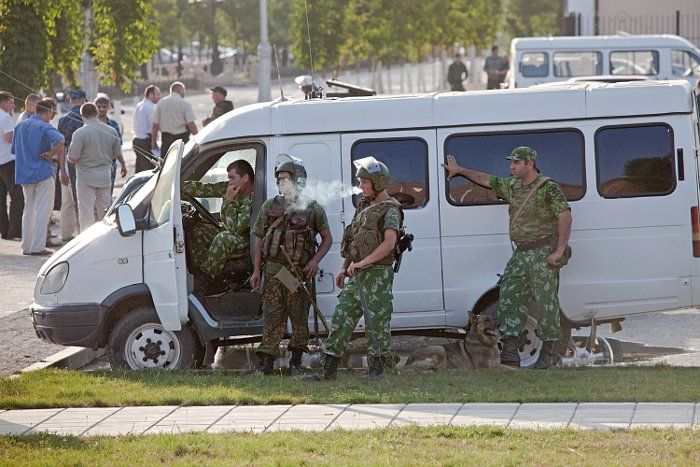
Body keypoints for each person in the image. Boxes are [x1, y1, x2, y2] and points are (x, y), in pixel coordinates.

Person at [441, 146, 572, 369]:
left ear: (529, 163)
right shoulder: (514, 186)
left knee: (546, 302)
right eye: (510, 162)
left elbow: (565, 217)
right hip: (521, 252)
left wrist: (559, 251)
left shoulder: (548, 188)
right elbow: (485, 179)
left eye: (516, 163)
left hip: (542, 252)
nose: (511, 167)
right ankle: (510, 351)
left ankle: (548, 354)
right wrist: (460, 170)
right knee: (510, 295)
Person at [315, 157, 402, 381]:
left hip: (377, 276)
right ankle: (328, 370)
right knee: (342, 317)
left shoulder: (390, 209)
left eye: (364, 182)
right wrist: (345, 268)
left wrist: (360, 264)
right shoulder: (364, 206)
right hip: (357, 273)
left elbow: (389, 244)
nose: (361, 187)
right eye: (360, 182)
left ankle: (378, 371)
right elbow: (353, 239)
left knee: (376, 323)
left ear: (378, 182)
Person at [250, 155, 332, 376]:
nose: (281, 183)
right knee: (273, 316)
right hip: (275, 270)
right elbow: (259, 239)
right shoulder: (270, 206)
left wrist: (315, 261)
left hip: (296, 273)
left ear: (298, 180)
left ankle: (295, 362)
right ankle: (266, 364)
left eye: (286, 178)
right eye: (279, 179)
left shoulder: (313, 209)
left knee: (298, 318)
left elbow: (327, 239)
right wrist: (257, 270)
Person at [182, 159, 254, 284]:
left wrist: (229, 200)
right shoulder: (233, 187)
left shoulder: (253, 198)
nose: (229, 182)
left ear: (245, 177)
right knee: (197, 229)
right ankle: (202, 267)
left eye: (232, 177)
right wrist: (177, 184)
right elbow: (205, 189)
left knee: (222, 238)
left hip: (247, 240)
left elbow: (236, 228)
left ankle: (206, 277)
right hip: (230, 234)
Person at [12, 99, 67, 256]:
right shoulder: (45, 126)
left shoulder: (20, 126)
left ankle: (27, 246)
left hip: (24, 173)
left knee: (28, 210)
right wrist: (51, 153)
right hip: (42, 172)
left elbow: (14, 150)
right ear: (48, 112)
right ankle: (37, 247)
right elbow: (61, 140)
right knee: (43, 210)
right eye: (51, 113)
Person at [67, 103, 124, 230]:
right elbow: (116, 153)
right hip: (104, 176)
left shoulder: (80, 133)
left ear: (82, 116)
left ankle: (87, 242)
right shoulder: (111, 130)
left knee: (86, 212)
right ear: (97, 113)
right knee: (105, 211)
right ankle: (106, 237)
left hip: (85, 177)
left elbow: (72, 158)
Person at [57, 89, 86, 242]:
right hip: (82, 163)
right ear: (84, 101)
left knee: (66, 201)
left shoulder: (62, 121)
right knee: (81, 199)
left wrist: (62, 169)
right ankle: (82, 232)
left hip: (66, 163)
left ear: (70, 101)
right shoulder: (85, 119)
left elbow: (60, 146)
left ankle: (66, 233)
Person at [151, 81, 197, 156]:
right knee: (183, 164)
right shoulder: (185, 104)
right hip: (182, 140)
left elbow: (155, 126)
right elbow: (191, 125)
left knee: (166, 164)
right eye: (183, 91)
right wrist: (197, 139)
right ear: (180, 90)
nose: (184, 93)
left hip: (166, 140)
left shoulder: (161, 103)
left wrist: (153, 142)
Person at [0, 91, 23, 240]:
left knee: (1, 198)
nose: (13, 105)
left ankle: (4, 229)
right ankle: (14, 230)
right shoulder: (5, 117)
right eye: (11, 102)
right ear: (3, 103)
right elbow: (9, 138)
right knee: (17, 196)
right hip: (8, 160)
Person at [94, 94, 126, 197]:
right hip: (94, 166)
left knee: (107, 196)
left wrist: (123, 164)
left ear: (109, 107)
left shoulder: (113, 125)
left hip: (110, 166)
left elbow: (117, 146)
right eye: (98, 106)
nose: (101, 109)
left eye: (104, 107)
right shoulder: (90, 124)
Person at [132, 85, 160, 173]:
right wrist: (154, 142)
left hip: (137, 140)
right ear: (151, 95)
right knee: (148, 171)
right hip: (145, 141)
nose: (159, 96)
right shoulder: (150, 107)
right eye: (157, 94)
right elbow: (154, 127)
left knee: (139, 169)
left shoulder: (139, 105)